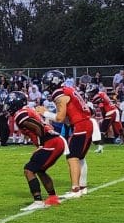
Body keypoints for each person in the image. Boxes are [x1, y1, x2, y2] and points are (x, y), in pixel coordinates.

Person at [37, 70, 94, 198]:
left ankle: (75, 190)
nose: (45, 85)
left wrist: (44, 113)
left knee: (72, 157)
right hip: (85, 123)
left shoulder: (59, 93)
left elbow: (60, 118)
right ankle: (82, 187)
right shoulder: (68, 89)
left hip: (81, 125)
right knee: (80, 158)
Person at [4, 92, 64, 211]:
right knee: (40, 170)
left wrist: (41, 145)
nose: (8, 107)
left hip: (50, 142)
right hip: (55, 141)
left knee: (29, 170)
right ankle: (53, 198)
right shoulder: (26, 110)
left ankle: (38, 201)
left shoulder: (20, 114)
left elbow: (38, 127)